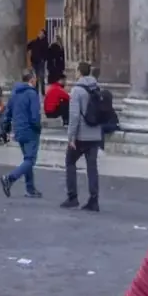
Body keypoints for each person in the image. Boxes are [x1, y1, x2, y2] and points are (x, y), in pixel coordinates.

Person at [62, 59, 104, 213]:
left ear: (79, 72)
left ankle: (72, 197)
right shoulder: (96, 87)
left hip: (81, 135)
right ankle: (94, 200)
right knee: (92, 168)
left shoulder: (77, 90)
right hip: (95, 134)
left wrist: (71, 137)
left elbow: (73, 116)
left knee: (70, 162)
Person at [0, 68, 43, 199]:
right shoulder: (32, 94)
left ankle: (30, 188)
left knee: (27, 159)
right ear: (32, 79)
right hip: (30, 129)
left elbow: (7, 113)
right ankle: (10, 178)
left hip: (18, 129)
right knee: (30, 160)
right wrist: (38, 128)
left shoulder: (15, 93)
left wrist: (5, 128)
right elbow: (35, 115)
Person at [27, 29, 50, 93]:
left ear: (44, 35)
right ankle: (36, 89)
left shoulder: (45, 43)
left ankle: (42, 90)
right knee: (35, 76)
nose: (39, 33)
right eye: (39, 32)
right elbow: (28, 47)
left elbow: (46, 53)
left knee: (41, 76)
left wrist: (43, 59)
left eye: (41, 33)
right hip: (34, 62)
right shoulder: (34, 42)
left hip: (40, 62)